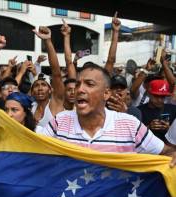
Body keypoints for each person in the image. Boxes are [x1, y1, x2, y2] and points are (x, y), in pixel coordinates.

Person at [41, 63, 176, 166]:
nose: (80, 89)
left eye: (89, 84)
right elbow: (33, 148)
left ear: (106, 94)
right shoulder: (60, 122)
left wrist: (173, 155)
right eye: (77, 84)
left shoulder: (130, 125)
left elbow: (166, 152)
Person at [31, 26, 65, 126]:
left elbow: (56, 73)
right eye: (36, 85)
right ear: (32, 92)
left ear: (50, 90)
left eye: (44, 85)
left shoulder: (56, 103)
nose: (40, 88)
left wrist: (47, 41)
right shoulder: (30, 108)